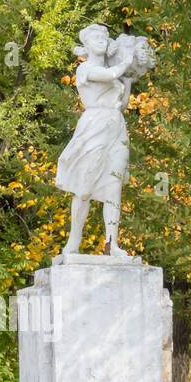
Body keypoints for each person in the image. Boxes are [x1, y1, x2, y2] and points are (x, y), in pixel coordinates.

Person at [55, 24, 154, 259]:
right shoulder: (85, 69)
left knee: (114, 186)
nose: (101, 39)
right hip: (95, 124)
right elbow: (110, 75)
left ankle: (112, 244)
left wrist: (129, 77)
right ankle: (73, 242)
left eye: (103, 36)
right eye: (95, 37)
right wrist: (127, 62)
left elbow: (121, 103)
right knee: (84, 187)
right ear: (86, 46)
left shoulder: (117, 72)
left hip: (116, 125)